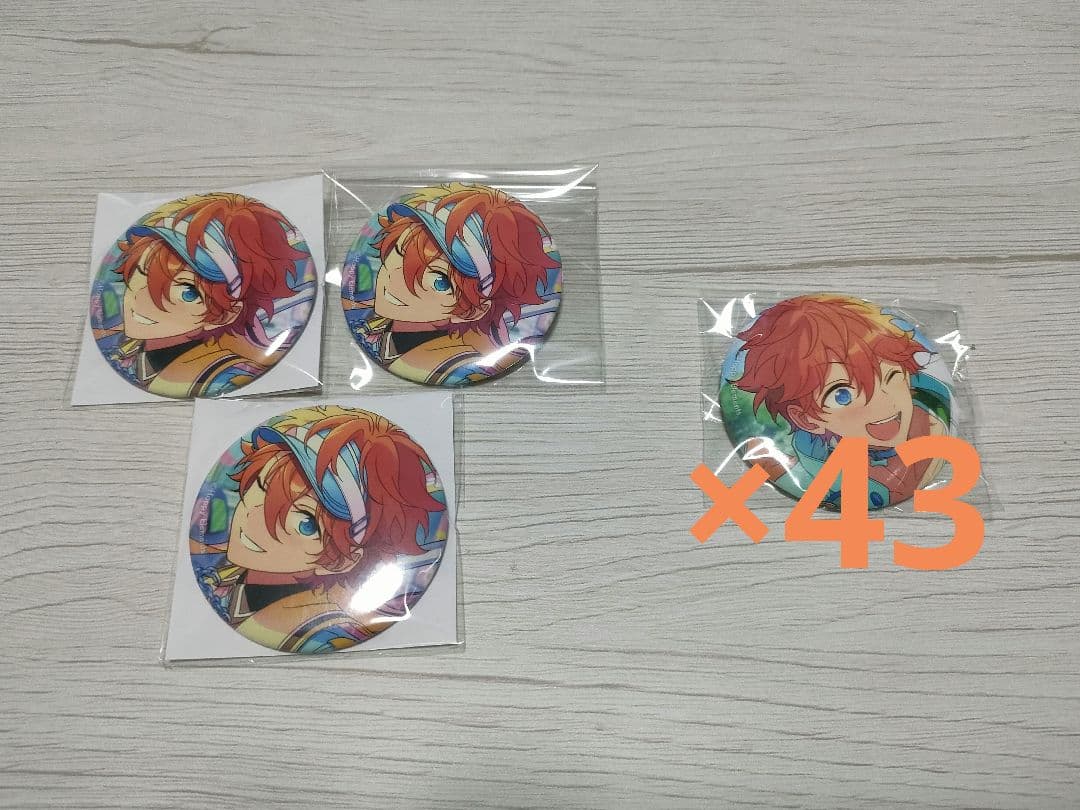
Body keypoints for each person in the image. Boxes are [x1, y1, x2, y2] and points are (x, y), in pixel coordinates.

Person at [192, 407, 446, 654]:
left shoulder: (321, 627)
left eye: (306, 523)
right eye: (262, 485)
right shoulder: (224, 571)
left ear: (342, 561)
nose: (253, 518)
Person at [731, 294, 950, 508]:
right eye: (842, 394)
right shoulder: (808, 461)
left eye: (892, 376)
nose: (885, 403)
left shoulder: (931, 424)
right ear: (806, 420)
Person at [94, 193, 310, 397]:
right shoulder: (127, 346)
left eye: (187, 291)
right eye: (143, 271)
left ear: (225, 315)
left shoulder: (220, 375)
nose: (142, 300)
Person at [346, 183, 560, 385]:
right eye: (401, 251)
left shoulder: (454, 364)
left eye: (440, 281)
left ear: (473, 311)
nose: (396, 278)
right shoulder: (374, 323)